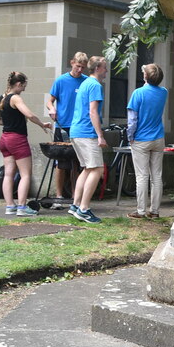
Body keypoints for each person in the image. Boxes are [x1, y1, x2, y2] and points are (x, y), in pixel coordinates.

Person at [0, 71, 52, 216]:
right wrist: (42, 125)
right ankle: (22, 207)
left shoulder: (2, 97)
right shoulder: (15, 98)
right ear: (18, 84)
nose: (24, 89)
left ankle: (10, 206)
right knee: (25, 175)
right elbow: (30, 115)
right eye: (24, 86)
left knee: (8, 175)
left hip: (4, 139)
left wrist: (11, 123)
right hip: (17, 140)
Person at [126, 64, 169, 219]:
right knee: (156, 176)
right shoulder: (164, 92)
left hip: (141, 139)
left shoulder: (138, 93)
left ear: (145, 76)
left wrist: (130, 137)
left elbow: (132, 121)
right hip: (158, 138)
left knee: (142, 176)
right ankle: (155, 211)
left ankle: (141, 210)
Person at [68, 56, 108, 224]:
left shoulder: (85, 83)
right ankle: (84, 209)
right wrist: (100, 135)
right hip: (86, 132)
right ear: (98, 68)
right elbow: (93, 112)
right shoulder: (94, 85)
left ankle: (76, 206)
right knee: (97, 169)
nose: (106, 70)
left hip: (76, 131)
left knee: (87, 169)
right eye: (105, 67)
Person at [45, 52, 88, 198]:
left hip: (79, 127)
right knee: (61, 163)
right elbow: (49, 100)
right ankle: (59, 195)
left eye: (83, 67)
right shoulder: (61, 80)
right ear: (72, 63)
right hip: (62, 126)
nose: (80, 70)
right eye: (78, 66)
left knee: (77, 163)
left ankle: (76, 196)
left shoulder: (86, 81)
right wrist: (52, 109)